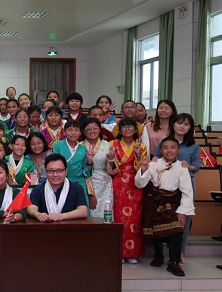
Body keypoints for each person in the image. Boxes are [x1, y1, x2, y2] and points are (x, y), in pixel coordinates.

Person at [136, 137, 195, 277]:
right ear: (160, 150)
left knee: (177, 229)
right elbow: (140, 184)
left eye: (173, 147)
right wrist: (143, 170)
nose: (169, 151)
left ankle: (174, 261)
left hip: (173, 201)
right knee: (156, 228)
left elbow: (187, 191)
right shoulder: (153, 164)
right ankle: (158, 255)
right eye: (165, 148)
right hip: (155, 201)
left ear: (178, 150)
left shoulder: (182, 167)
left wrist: (183, 212)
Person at [154, 113, 200, 258]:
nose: (182, 126)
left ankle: (180, 253)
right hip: (165, 185)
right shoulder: (164, 141)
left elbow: (197, 167)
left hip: (186, 185)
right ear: (173, 124)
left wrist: (189, 167)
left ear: (190, 128)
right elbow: (155, 160)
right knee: (164, 217)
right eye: (179, 123)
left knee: (184, 220)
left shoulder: (194, 145)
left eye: (186, 124)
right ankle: (161, 253)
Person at [107, 117, 147, 263]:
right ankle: (120, 252)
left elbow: (143, 167)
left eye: (130, 127)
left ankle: (132, 253)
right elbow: (110, 165)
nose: (127, 129)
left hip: (134, 183)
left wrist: (138, 154)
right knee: (118, 217)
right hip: (118, 181)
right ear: (119, 129)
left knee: (135, 218)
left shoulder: (141, 145)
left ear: (136, 130)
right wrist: (111, 158)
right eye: (124, 127)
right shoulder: (112, 144)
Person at [27, 154, 88, 222]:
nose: (55, 175)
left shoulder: (76, 188)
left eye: (59, 171)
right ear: (46, 172)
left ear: (66, 171)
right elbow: (31, 209)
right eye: (51, 171)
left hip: (71, 227)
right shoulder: (38, 190)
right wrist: (37, 214)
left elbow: (83, 211)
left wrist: (62, 216)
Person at [52, 120, 92, 210]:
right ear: (64, 132)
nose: (73, 133)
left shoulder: (83, 148)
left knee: (81, 209)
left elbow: (86, 173)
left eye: (76, 130)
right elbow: (55, 164)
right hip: (61, 182)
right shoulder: (57, 145)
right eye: (70, 130)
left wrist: (89, 161)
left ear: (80, 132)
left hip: (79, 183)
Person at [81, 118, 113, 218]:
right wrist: (90, 193)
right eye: (88, 129)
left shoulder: (107, 145)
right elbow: (81, 170)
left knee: (105, 213)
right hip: (85, 182)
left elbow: (112, 170)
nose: (92, 131)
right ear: (83, 131)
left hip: (105, 184)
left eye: (95, 128)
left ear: (100, 129)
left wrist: (111, 159)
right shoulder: (79, 146)